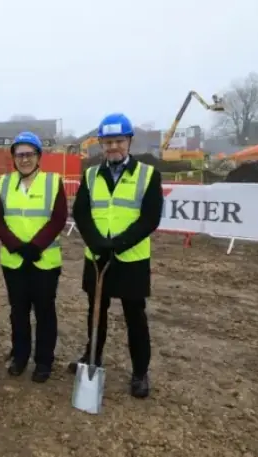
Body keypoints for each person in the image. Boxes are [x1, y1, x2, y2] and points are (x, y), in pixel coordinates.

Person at [68, 113, 164, 399]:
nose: (113, 147)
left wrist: (118, 244)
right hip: (97, 258)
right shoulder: (90, 175)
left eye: (119, 141)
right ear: (101, 144)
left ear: (129, 141)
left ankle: (140, 372)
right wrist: (97, 244)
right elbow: (81, 213)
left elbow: (150, 218)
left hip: (131, 259)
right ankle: (92, 357)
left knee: (135, 316)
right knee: (96, 312)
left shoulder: (147, 174)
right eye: (108, 142)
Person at [0, 132, 68, 383]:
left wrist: (36, 246)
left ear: (38, 156)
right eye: (19, 155)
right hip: (14, 261)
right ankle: (20, 356)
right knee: (18, 312)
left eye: (29, 154)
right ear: (13, 157)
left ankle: (44, 361)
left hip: (44, 261)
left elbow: (58, 218)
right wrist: (15, 245)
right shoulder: (4, 183)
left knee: (45, 312)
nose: (24, 159)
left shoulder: (53, 182)